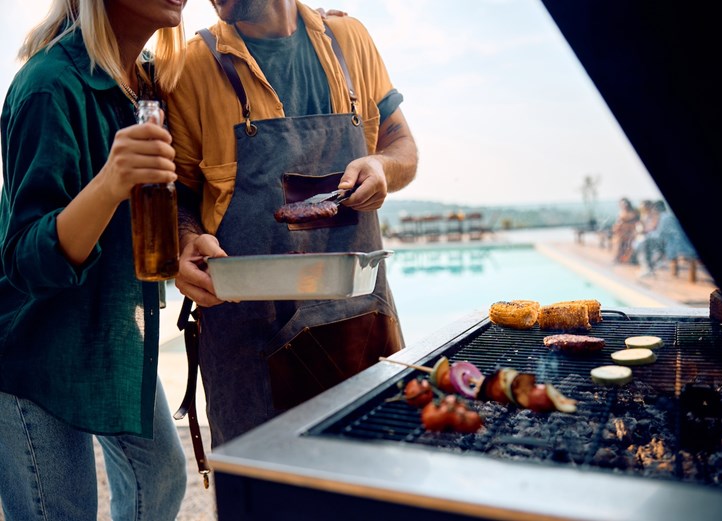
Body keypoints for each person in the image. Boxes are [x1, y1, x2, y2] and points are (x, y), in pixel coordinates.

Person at [166, 0, 419, 447]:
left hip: (362, 333)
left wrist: (383, 167)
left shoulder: (350, 39)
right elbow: (176, 197)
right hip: (248, 351)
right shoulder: (191, 67)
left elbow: (402, 146)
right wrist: (184, 239)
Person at [0, 1, 189, 519]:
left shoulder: (146, 83)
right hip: (29, 342)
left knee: (162, 479)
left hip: (107, 328)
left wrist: (185, 249)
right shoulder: (48, 85)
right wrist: (109, 183)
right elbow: (24, 258)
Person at [611, 197, 640, 264]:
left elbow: (637, 222)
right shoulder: (621, 212)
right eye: (622, 204)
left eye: (625, 204)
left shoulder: (634, 212)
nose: (624, 205)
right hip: (621, 232)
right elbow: (618, 223)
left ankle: (629, 259)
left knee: (629, 244)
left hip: (631, 231)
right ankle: (617, 258)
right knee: (617, 242)